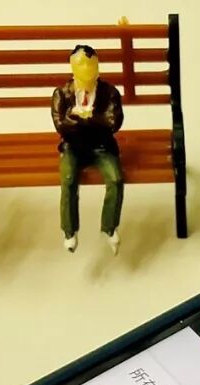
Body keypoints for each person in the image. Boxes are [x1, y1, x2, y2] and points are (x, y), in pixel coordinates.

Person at [51, 46, 124, 256]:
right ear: (73, 68)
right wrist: (85, 119)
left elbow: (113, 122)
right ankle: (69, 231)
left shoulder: (110, 92)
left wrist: (85, 117)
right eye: (81, 64)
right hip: (73, 147)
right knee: (68, 179)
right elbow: (60, 124)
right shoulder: (62, 93)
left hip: (102, 146)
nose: (87, 69)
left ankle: (109, 227)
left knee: (116, 179)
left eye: (91, 64)